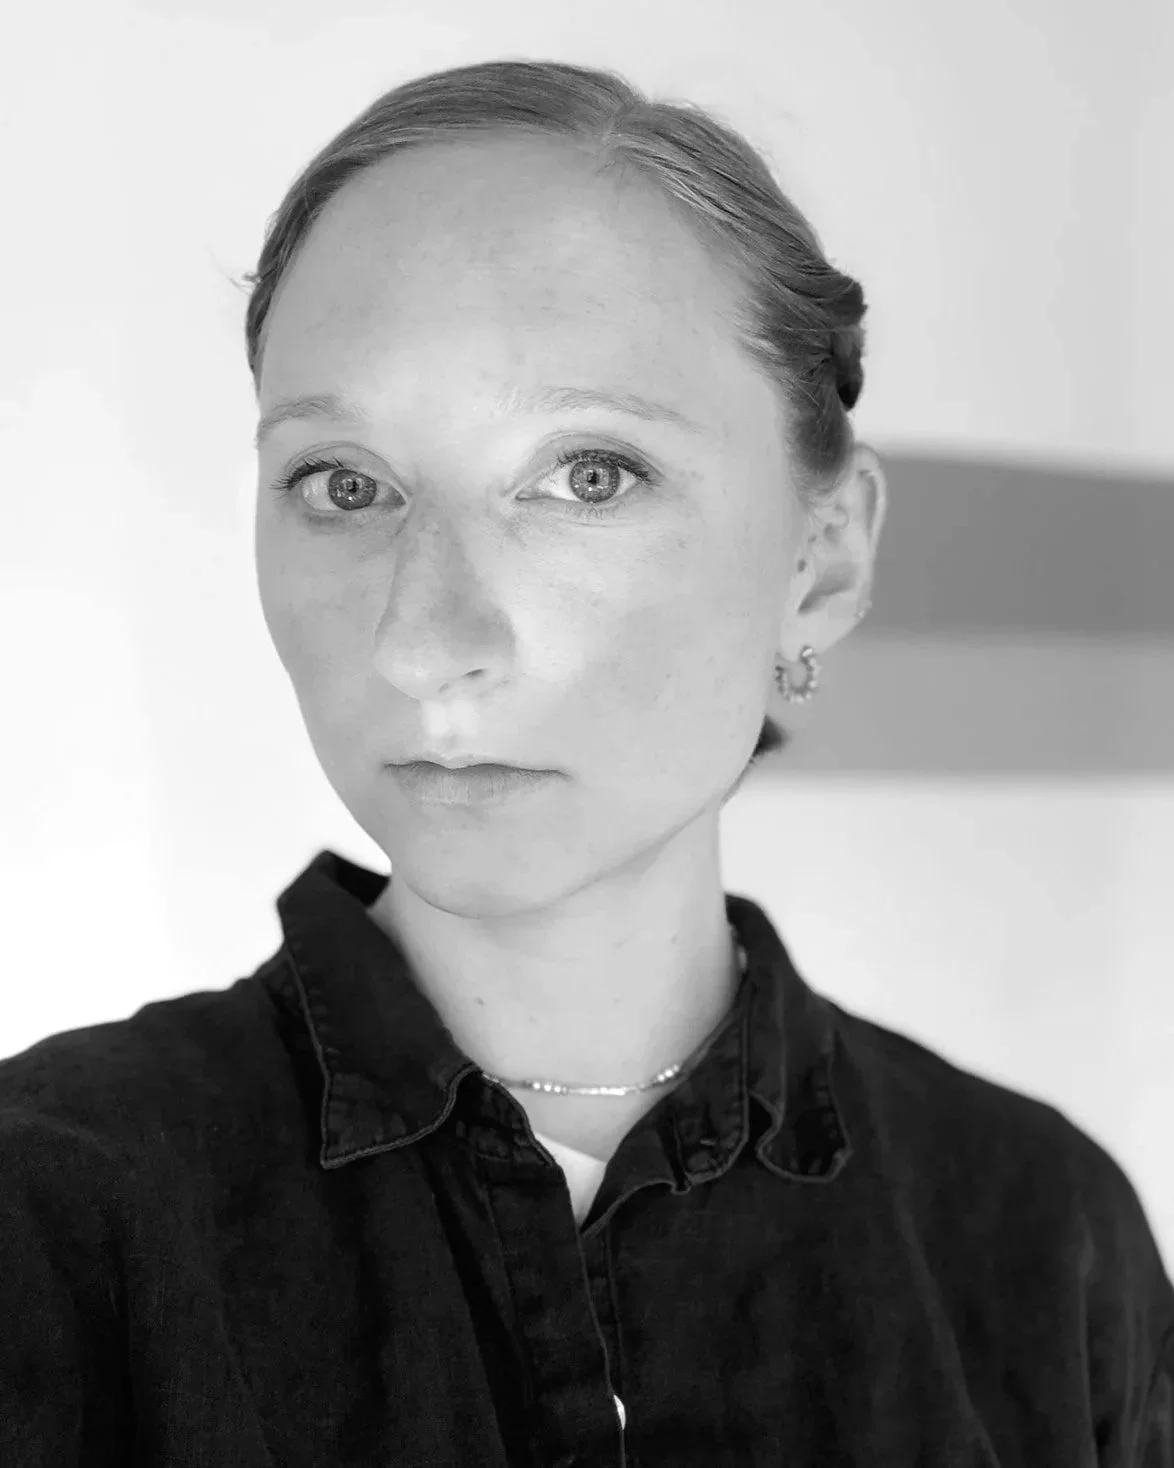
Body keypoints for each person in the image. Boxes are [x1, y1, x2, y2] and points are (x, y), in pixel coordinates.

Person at [1, 56, 1170, 1467]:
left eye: (588, 475)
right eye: (344, 485)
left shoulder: (1043, 1237)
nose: (428, 639)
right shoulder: (47, 1213)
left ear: (820, 558)